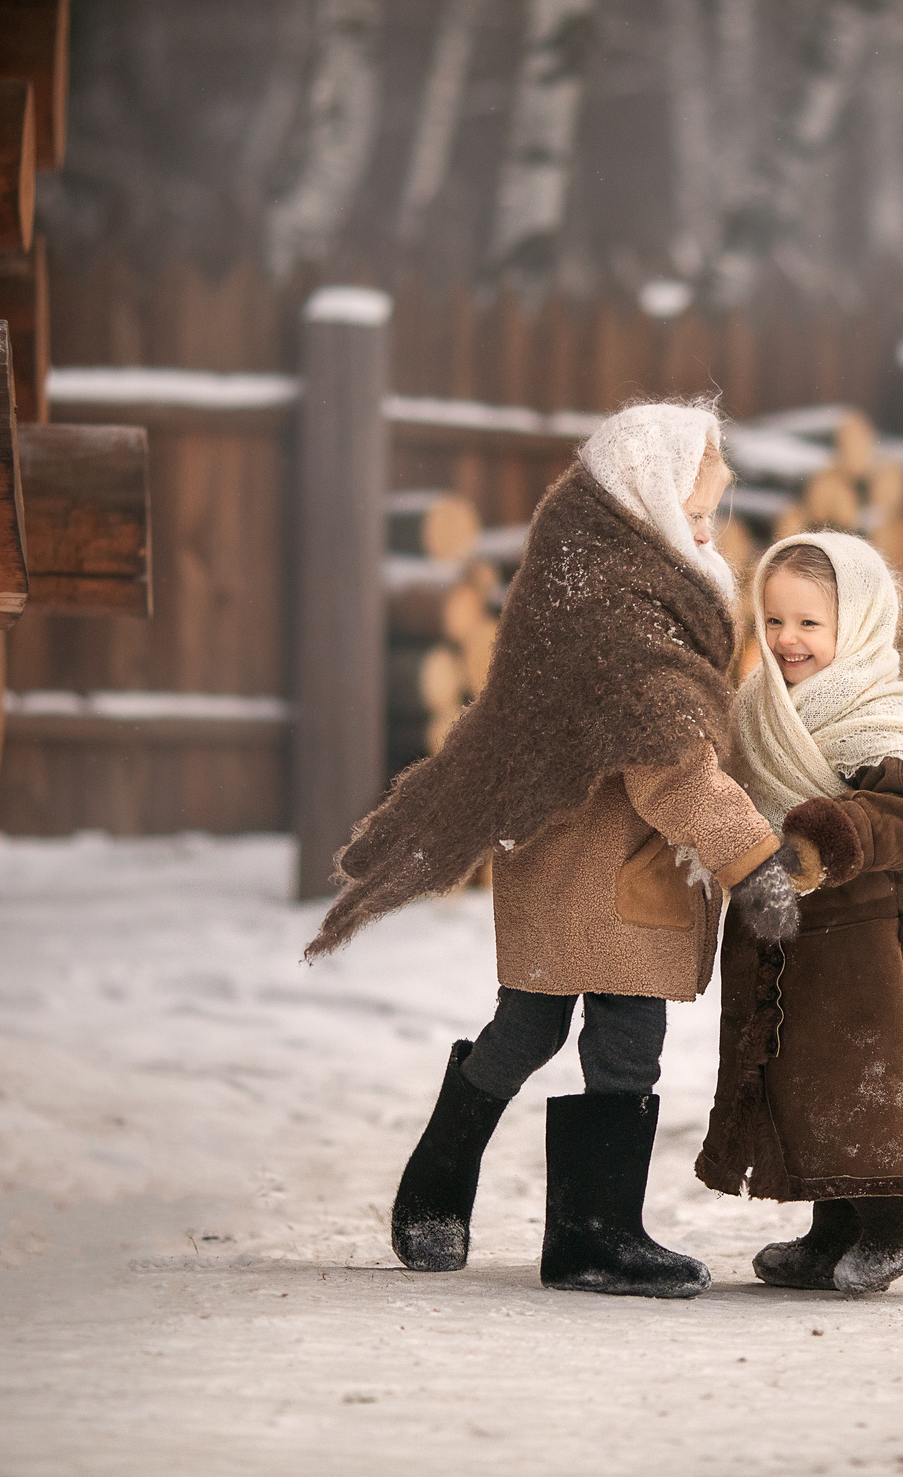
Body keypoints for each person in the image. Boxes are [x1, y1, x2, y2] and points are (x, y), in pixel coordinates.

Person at [302, 401, 804, 1299]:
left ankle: (451, 1186)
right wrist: (752, 860)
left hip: (578, 853)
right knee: (600, 1036)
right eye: (695, 510)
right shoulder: (616, 595)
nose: (706, 529)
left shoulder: (601, 551)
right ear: (647, 488)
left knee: (540, 1028)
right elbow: (671, 765)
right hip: (605, 861)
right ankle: (588, 1235)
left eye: (710, 513)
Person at [697, 532, 903, 1296]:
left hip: (869, 943)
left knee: (865, 1077)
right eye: (776, 619)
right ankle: (836, 1225)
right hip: (791, 935)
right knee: (804, 1079)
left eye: (809, 624)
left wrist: (826, 840)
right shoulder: (761, 710)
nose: (788, 639)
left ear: (854, 624)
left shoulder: (878, 717)